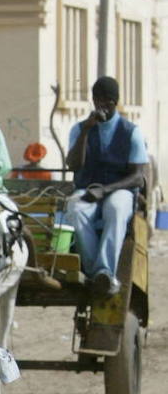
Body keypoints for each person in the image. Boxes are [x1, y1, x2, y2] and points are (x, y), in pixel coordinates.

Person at [65, 76, 147, 296]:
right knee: (75, 208)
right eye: (97, 100)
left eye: (106, 102)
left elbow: (138, 177)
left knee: (116, 209)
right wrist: (85, 131)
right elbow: (73, 165)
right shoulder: (80, 129)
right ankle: (96, 273)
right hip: (88, 189)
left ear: (114, 103)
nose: (100, 106)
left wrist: (106, 190)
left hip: (120, 189)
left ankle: (105, 270)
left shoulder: (131, 132)